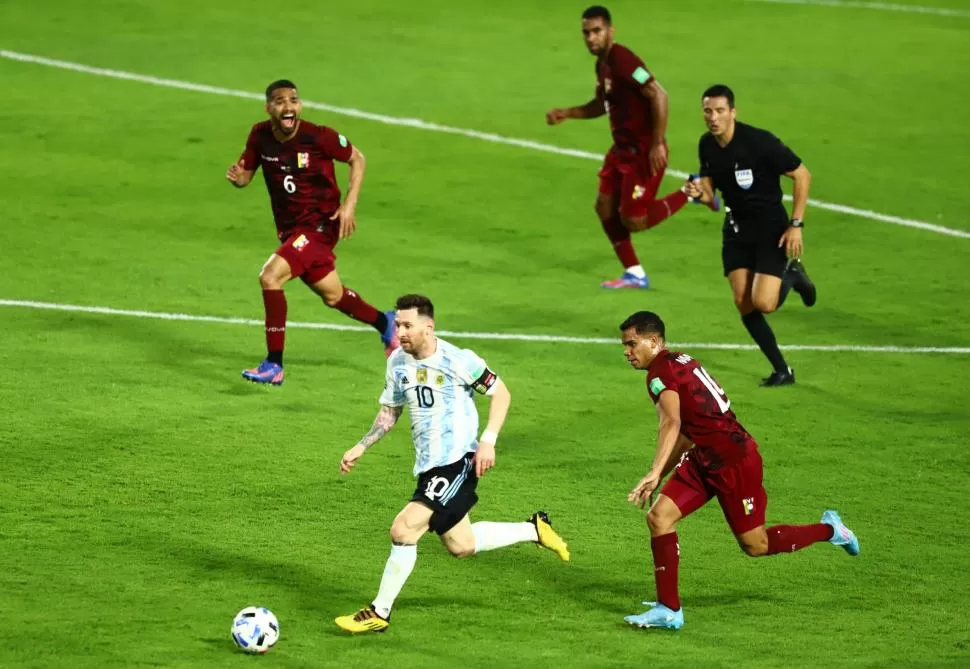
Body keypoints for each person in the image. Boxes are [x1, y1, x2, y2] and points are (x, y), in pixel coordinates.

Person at [334, 294, 570, 634]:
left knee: (404, 528)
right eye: (397, 324)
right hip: (428, 467)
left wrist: (488, 440)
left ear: (428, 327)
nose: (398, 331)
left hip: (457, 461)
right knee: (462, 545)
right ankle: (534, 529)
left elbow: (501, 394)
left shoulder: (459, 360)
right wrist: (362, 445)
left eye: (406, 325)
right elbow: (391, 410)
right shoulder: (398, 362)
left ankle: (378, 612)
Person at [618, 311, 859, 630]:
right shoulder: (679, 362)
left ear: (653, 341)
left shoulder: (659, 375)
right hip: (704, 456)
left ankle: (831, 531)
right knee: (659, 518)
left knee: (755, 545)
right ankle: (669, 609)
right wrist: (660, 475)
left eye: (632, 344)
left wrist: (653, 470)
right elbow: (690, 429)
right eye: (624, 345)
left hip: (734, 462)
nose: (627, 351)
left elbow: (672, 423)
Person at [226, 79, 398, 386]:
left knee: (270, 276)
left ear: (299, 106)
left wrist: (349, 205)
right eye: (279, 101)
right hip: (292, 231)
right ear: (269, 109)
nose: (288, 106)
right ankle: (386, 323)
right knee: (333, 295)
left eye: (293, 100)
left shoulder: (319, 137)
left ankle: (273, 364)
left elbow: (358, 158)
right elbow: (245, 177)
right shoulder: (259, 135)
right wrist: (238, 178)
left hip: (320, 225)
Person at [546, 5, 701, 290]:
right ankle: (634, 272)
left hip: (644, 152)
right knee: (604, 206)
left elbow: (659, 94)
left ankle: (692, 192)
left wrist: (656, 143)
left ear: (610, 31)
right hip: (621, 151)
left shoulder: (624, 60)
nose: (591, 38)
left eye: (597, 31)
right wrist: (567, 113)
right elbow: (601, 105)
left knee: (634, 220)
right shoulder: (602, 65)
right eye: (586, 33)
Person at [684, 85, 816, 387]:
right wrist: (697, 193)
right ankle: (782, 370)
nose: (713, 117)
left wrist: (796, 224)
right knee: (743, 301)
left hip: (770, 228)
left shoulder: (759, 142)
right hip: (736, 230)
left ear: (733, 112)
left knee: (764, 303)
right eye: (708, 111)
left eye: (719, 111)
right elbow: (711, 199)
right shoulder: (706, 145)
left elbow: (802, 174)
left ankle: (792, 275)